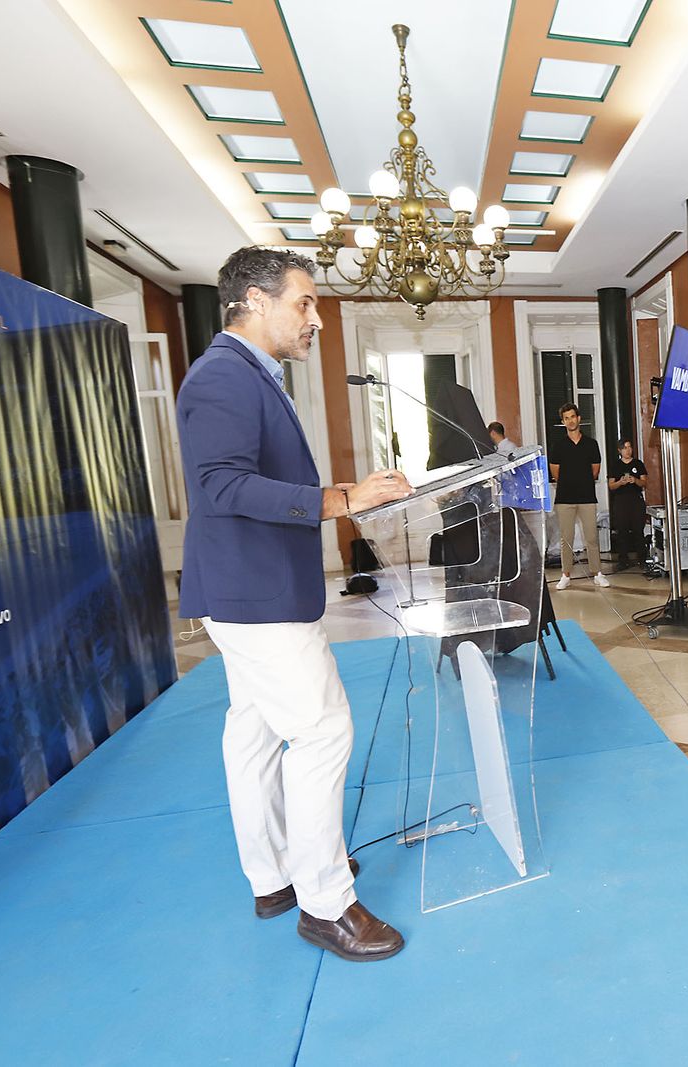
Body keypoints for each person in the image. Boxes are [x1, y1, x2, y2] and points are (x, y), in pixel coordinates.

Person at [178, 246, 409, 962]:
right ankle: (325, 902)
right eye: (304, 302)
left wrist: (345, 490)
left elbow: (256, 477)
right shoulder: (222, 375)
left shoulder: (249, 373)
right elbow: (222, 485)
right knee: (321, 731)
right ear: (254, 299)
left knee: (251, 733)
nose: (316, 318)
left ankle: (273, 876)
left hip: (245, 587)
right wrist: (339, 500)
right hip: (255, 594)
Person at [549, 402, 609, 589]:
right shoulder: (558, 445)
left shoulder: (591, 444)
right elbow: (555, 472)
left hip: (587, 497)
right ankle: (566, 575)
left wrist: (581, 481)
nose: (570, 420)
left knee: (591, 537)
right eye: (566, 418)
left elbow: (595, 471)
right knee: (566, 538)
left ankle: (597, 573)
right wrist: (570, 482)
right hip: (565, 498)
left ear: (579, 418)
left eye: (572, 417)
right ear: (563, 421)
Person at [607, 439, 648, 571]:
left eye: (629, 447)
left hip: (636, 499)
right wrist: (620, 482)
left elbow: (644, 483)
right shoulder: (616, 465)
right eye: (625, 448)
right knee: (622, 531)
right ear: (619, 451)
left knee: (638, 530)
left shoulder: (638, 464)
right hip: (620, 500)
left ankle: (642, 559)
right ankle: (623, 560)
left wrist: (635, 480)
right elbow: (611, 485)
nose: (628, 450)